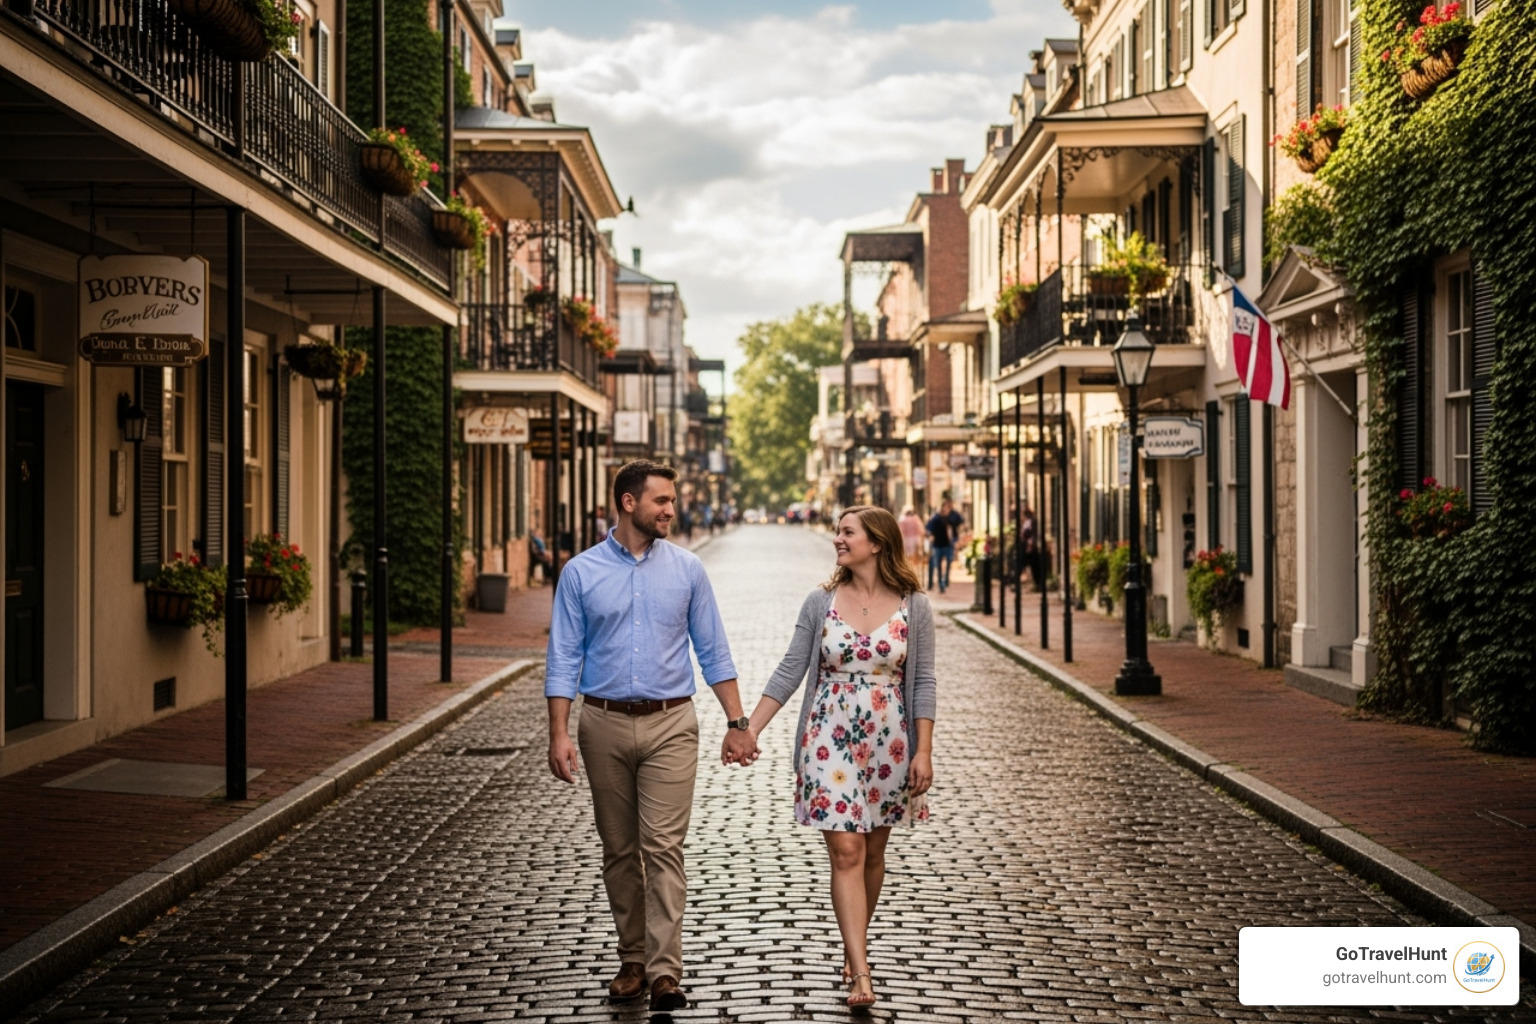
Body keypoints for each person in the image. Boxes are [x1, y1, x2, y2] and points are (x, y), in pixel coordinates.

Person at [545, 460, 756, 1011]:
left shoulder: (687, 569)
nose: (671, 508)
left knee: (662, 847)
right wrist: (559, 733)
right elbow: (563, 656)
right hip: (602, 723)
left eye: (673, 499)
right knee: (619, 849)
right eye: (661, 500)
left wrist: (738, 724)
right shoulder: (580, 573)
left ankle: (665, 972)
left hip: (671, 722)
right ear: (628, 502)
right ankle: (632, 960)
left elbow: (713, 649)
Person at [735, 505, 936, 1009]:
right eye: (838, 532)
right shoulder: (819, 601)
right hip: (829, 740)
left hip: (891, 745)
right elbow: (790, 670)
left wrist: (924, 750)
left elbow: (925, 682)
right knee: (846, 852)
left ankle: (853, 945)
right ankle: (861, 972)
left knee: (872, 854)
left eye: (847, 532)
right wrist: (748, 729)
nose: (837, 540)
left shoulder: (916, 605)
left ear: (877, 543)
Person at [925, 499, 963, 593]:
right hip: (937, 545)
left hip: (947, 544)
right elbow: (928, 528)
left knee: (948, 563)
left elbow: (960, 522)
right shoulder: (936, 518)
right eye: (944, 508)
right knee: (938, 565)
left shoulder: (952, 517)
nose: (945, 511)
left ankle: (944, 581)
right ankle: (941, 584)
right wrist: (930, 536)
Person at [898, 506, 924, 575]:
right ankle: (915, 569)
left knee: (908, 556)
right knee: (915, 555)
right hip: (916, 539)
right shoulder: (916, 519)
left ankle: (910, 570)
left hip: (907, 540)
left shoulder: (903, 521)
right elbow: (921, 530)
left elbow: (900, 531)